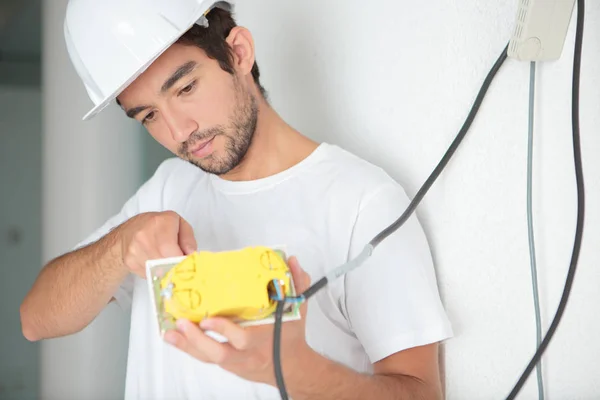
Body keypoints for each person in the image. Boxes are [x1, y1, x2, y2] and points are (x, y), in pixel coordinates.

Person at [20, 1, 453, 398]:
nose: (178, 131)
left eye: (185, 88)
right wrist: (120, 246)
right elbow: (36, 319)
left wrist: (296, 370)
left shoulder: (362, 202)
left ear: (239, 53)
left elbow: (422, 392)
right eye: (149, 115)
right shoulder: (168, 187)